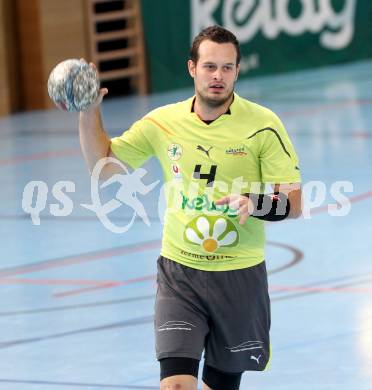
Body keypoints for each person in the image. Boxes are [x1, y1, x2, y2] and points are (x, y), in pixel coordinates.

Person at [79, 25, 302, 390]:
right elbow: (102, 165)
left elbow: (293, 203)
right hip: (180, 273)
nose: (218, 76)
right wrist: (88, 113)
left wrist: (256, 203)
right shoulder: (162, 122)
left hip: (239, 277)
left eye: (227, 68)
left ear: (237, 71)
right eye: (210, 66)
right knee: (176, 385)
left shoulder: (264, 126)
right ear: (191, 68)